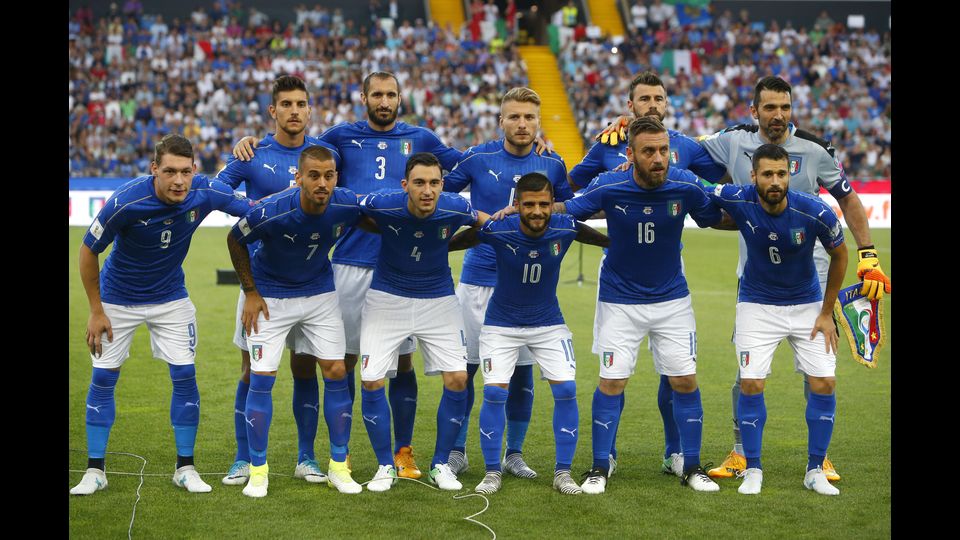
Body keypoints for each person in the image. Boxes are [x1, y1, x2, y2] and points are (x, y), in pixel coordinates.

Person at [232, 71, 549, 479]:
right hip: (348, 266)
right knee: (336, 365)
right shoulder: (339, 137)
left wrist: (530, 148)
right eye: (377, 94)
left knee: (402, 366)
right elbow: (301, 151)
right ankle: (328, 457)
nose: (384, 101)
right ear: (363, 97)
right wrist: (254, 143)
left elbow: (472, 161)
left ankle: (402, 453)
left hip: (403, 271)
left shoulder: (424, 139)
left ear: (401, 98)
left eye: (391, 94)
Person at [697, 76, 890, 481]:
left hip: (813, 274)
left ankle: (820, 458)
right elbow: (680, 148)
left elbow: (848, 197)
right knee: (744, 373)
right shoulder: (732, 141)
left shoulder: (814, 149)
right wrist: (631, 125)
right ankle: (738, 452)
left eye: (784, 107)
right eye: (769, 107)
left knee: (818, 370)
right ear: (754, 112)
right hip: (753, 275)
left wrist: (868, 252)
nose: (778, 115)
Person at [72, 133, 254, 496]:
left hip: (171, 299)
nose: (178, 181)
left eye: (186, 172)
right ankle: (95, 471)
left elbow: (258, 209)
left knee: (185, 377)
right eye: (169, 171)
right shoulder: (126, 201)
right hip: (117, 301)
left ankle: (185, 468)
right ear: (154, 169)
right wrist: (95, 310)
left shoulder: (205, 192)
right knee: (104, 379)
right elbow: (88, 251)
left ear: (194, 170)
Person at [559, 116, 723, 494]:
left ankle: (693, 465)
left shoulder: (685, 184)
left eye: (664, 150)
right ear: (630, 155)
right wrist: (517, 210)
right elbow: (566, 211)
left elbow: (719, 215)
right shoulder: (608, 185)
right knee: (612, 381)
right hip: (619, 301)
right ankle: (600, 466)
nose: (659, 158)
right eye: (649, 151)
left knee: (684, 380)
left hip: (672, 301)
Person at [442, 87, 574, 480]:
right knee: (464, 370)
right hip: (479, 281)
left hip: (528, 288)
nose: (522, 124)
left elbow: (567, 207)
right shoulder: (478, 158)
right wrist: (479, 216)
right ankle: (457, 449)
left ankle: (514, 453)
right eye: (514, 117)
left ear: (538, 122)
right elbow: (442, 197)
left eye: (529, 118)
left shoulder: (552, 165)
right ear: (501, 121)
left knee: (522, 373)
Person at [216, 75, 343, 487]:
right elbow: (218, 191)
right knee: (251, 372)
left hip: (311, 283)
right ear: (273, 110)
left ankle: (306, 457)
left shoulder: (324, 156)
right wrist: (255, 207)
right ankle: (242, 458)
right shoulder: (252, 153)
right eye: (285, 104)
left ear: (309, 110)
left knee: (305, 369)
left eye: (301, 104)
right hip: (260, 284)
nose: (293, 111)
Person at [449, 172, 609, 495]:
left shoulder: (565, 227)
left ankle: (562, 474)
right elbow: (469, 237)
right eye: (530, 204)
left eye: (544, 204)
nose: (537, 211)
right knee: (494, 393)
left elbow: (587, 232)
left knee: (566, 389)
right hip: (501, 326)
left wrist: (615, 244)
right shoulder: (499, 229)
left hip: (548, 323)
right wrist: (436, 249)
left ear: (553, 205)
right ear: (517, 205)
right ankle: (492, 472)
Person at [704, 144, 847, 496]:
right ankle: (752, 468)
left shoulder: (815, 212)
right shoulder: (739, 198)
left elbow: (841, 255)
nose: (775, 181)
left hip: (807, 305)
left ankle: (815, 469)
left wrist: (827, 313)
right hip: (756, 305)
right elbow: (696, 189)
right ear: (753, 176)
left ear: (789, 175)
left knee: (824, 383)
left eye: (781, 173)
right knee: (751, 385)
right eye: (767, 174)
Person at [226, 145, 365, 497]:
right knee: (262, 378)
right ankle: (258, 470)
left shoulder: (345, 203)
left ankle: (337, 466)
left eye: (329, 176)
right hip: (271, 298)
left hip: (319, 294)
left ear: (336, 177)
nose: (322, 183)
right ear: (298, 177)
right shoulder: (272, 210)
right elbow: (234, 238)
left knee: (335, 371)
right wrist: (251, 292)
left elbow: (382, 213)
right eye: (314, 176)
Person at [356, 152, 485, 492]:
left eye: (433, 183)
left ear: (442, 185)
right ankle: (385, 465)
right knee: (371, 379)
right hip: (386, 299)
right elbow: (351, 211)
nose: (427, 190)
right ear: (405, 186)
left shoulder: (456, 206)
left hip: (438, 300)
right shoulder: (383, 204)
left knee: (458, 378)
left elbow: (488, 224)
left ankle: (440, 465)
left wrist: (449, 244)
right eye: (419, 183)